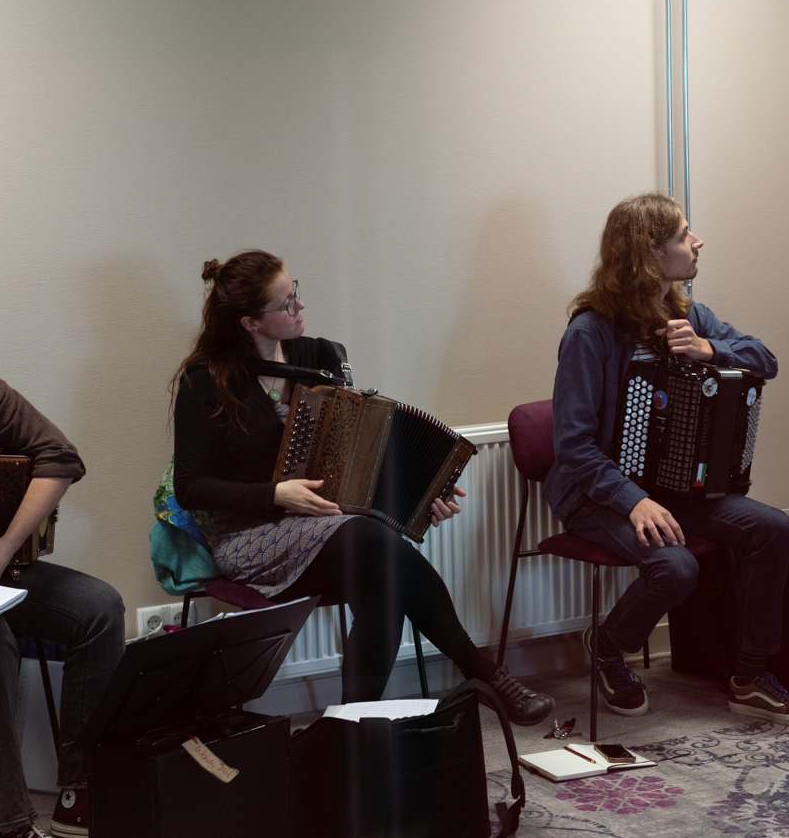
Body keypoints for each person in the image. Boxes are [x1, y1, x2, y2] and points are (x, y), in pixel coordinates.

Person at [170, 250, 552, 725]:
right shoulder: (206, 381)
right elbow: (190, 487)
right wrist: (275, 495)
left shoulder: (319, 356)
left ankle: (351, 728)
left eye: (295, 292)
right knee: (374, 545)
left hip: (327, 522)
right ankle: (480, 671)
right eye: (286, 304)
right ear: (250, 323)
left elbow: (357, 449)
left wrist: (421, 493)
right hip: (251, 533)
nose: (300, 306)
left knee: (380, 579)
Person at [545, 193, 789, 726]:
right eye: (683, 235)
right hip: (598, 495)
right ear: (650, 254)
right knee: (676, 567)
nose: (697, 242)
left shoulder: (689, 314)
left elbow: (765, 360)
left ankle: (749, 677)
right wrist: (633, 501)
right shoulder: (589, 333)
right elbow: (573, 446)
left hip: (674, 488)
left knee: (773, 527)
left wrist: (708, 349)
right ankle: (606, 646)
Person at [0, 287, 124, 838]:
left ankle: (79, 794)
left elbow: (59, 455)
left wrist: (8, 543)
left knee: (99, 608)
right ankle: (9, 825)